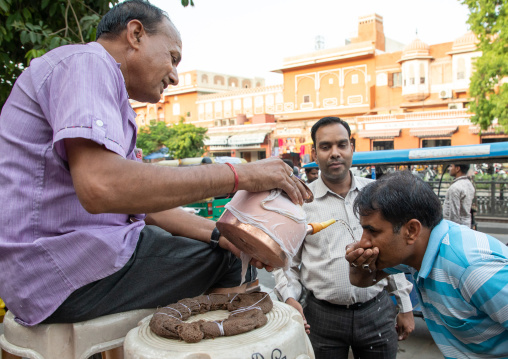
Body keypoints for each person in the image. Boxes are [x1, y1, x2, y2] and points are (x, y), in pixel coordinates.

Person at [0, 0, 308, 327]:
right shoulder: (88, 64)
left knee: (225, 250)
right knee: (228, 263)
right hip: (59, 272)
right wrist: (242, 174)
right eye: (172, 58)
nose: (175, 76)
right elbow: (101, 187)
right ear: (135, 34)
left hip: (50, 271)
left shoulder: (104, 92)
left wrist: (223, 234)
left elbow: (145, 206)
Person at [274, 117, 415, 359]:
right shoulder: (300, 203)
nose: (335, 153)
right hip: (321, 316)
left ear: (352, 147)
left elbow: (394, 254)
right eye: (326, 147)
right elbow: (287, 262)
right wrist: (289, 298)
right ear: (314, 153)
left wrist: (406, 306)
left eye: (341, 145)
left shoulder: (378, 195)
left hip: (377, 312)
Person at [346, 171, 508, 359]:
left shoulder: (472, 269)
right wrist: (357, 261)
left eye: (372, 231)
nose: (364, 241)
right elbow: (360, 280)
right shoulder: (416, 252)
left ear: (411, 230)